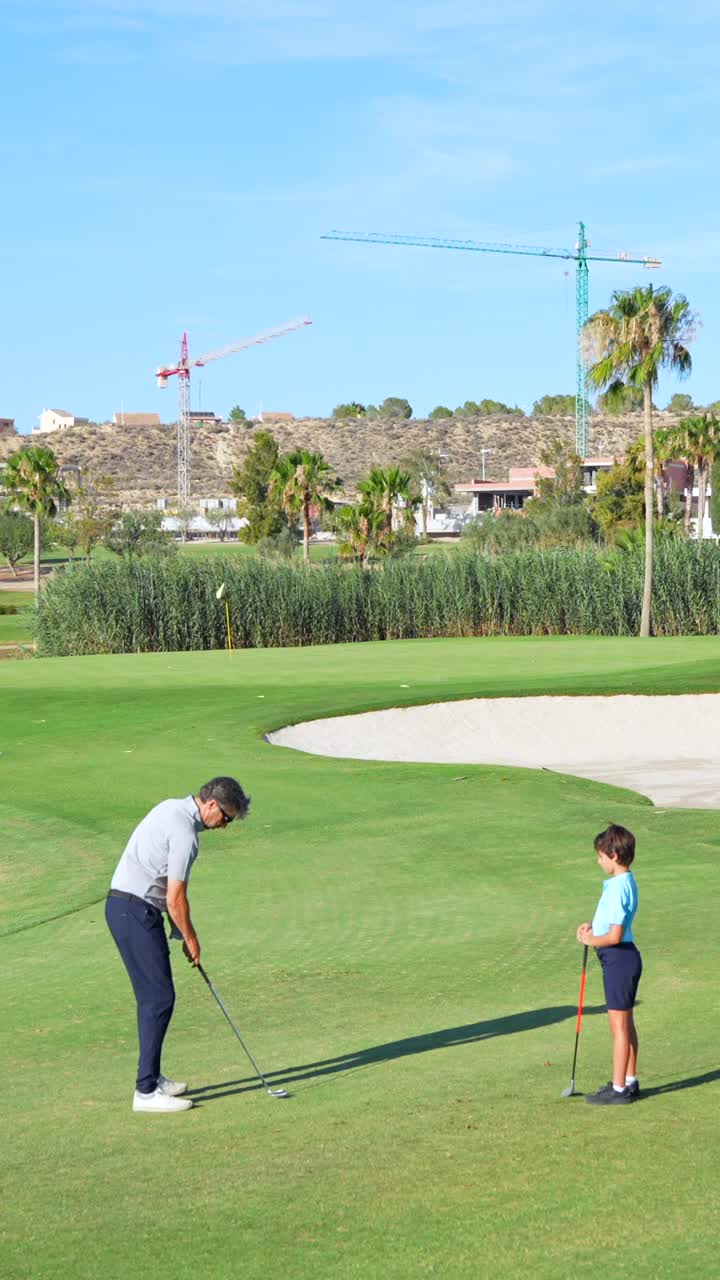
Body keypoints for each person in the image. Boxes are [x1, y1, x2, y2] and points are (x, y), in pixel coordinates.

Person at [105, 776, 250, 1113]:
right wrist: (190, 937)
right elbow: (175, 897)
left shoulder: (169, 807)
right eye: (226, 818)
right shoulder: (186, 834)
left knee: (153, 998)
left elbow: (161, 880)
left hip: (126, 908)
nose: (224, 826)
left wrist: (177, 932)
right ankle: (145, 1093)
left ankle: (152, 1077)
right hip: (135, 910)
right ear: (211, 805)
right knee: (159, 999)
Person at [576, 823, 642, 1105]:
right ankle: (628, 1081)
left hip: (618, 959)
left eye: (601, 855)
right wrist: (593, 927)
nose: (598, 860)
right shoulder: (624, 882)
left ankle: (618, 1090)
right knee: (626, 1023)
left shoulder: (617, 888)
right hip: (623, 957)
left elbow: (614, 936)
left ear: (614, 855)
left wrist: (591, 940)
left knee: (619, 1027)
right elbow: (612, 924)